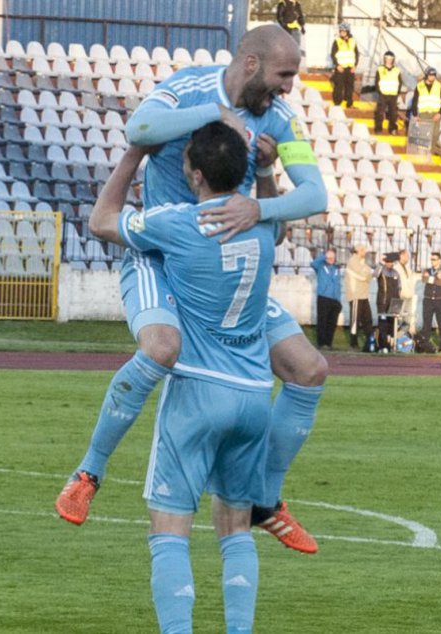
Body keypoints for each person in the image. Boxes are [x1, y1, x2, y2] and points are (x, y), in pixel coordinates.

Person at [56, 24, 328, 555]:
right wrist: (213, 116)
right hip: (159, 256)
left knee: (309, 369)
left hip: (220, 263)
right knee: (161, 347)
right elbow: (141, 126)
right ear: (251, 64)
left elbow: (315, 193)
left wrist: (261, 204)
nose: (289, 88)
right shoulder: (189, 88)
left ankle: (265, 501)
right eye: (284, 75)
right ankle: (88, 473)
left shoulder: (279, 118)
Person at [90, 122, 276, 634]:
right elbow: (269, 202)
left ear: (194, 174)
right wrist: (263, 171)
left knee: (170, 530)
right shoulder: (264, 225)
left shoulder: (179, 221)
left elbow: (102, 220)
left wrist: (135, 154)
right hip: (257, 393)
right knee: (236, 529)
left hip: (199, 388)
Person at [409, 67, 441, 154]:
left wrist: (440, 113)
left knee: (435, 135)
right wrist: (415, 114)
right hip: (424, 114)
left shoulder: (439, 86)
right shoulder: (419, 86)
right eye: (430, 75)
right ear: (426, 75)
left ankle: (430, 152)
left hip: (435, 114)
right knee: (423, 135)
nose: (432, 77)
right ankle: (422, 153)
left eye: (434, 75)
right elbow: (415, 101)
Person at [311, 247, 342, 349]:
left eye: (333, 257)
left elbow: (338, 284)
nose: (331, 259)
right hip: (323, 297)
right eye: (329, 257)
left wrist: (338, 299)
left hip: (335, 299)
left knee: (332, 323)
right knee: (322, 321)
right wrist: (324, 256)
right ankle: (321, 343)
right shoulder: (320, 266)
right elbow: (313, 264)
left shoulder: (336, 269)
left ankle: (329, 343)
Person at [345, 243, 373, 351]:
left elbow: (369, 276)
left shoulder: (361, 262)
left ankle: (369, 342)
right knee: (355, 321)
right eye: (363, 250)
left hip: (363, 295)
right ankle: (353, 344)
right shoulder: (353, 261)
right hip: (356, 295)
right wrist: (366, 273)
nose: (365, 252)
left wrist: (366, 274)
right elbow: (364, 275)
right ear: (358, 250)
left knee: (367, 319)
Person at [421, 252, 441, 352]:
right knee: (426, 324)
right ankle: (425, 344)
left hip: (440, 300)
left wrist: (430, 278)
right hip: (428, 300)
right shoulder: (427, 270)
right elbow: (423, 279)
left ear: (439, 260)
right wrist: (435, 278)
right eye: (431, 259)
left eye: (435, 259)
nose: (433, 261)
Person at [375, 252, 401, 353]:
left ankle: (390, 345)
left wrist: (398, 302)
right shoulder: (381, 271)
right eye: (387, 262)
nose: (389, 264)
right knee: (383, 324)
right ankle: (382, 346)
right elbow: (375, 274)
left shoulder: (396, 273)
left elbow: (399, 288)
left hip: (394, 302)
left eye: (391, 262)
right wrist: (381, 264)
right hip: (383, 301)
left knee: (392, 324)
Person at [373, 51, 401, 135]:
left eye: (390, 59)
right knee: (380, 112)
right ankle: (378, 129)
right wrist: (380, 92)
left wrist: (397, 92)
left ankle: (393, 129)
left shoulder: (397, 70)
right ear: (384, 59)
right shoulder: (380, 69)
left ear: (393, 60)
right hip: (383, 94)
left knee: (393, 113)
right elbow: (376, 82)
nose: (389, 60)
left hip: (393, 95)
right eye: (387, 59)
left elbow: (400, 82)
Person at [330, 23, 357, 109]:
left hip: (350, 68)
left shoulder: (353, 41)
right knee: (338, 86)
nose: (341, 33)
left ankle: (349, 103)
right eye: (341, 31)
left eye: (343, 31)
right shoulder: (337, 41)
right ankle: (337, 103)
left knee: (350, 87)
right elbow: (333, 54)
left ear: (347, 32)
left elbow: (356, 54)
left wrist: (355, 66)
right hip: (340, 67)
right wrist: (337, 65)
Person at [393, 248, 419, 335]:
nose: (408, 258)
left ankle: (407, 338)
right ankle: (397, 338)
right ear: (401, 256)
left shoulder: (407, 268)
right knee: (399, 320)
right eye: (406, 256)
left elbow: (413, 277)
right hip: (400, 297)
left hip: (409, 297)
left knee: (408, 319)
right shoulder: (396, 268)